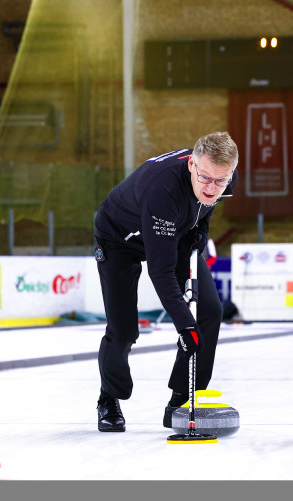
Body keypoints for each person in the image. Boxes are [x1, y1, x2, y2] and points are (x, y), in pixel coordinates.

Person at [93, 131, 238, 432]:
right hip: (120, 239)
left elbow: (205, 208)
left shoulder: (222, 177)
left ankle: (181, 400)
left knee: (210, 311)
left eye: (220, 181)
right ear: (191, 166)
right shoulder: (163, 189)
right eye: (205, 178)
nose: (212, 187)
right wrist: (185, 326)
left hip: (176, 232)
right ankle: (109, 396)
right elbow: (161, 271)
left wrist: (201, 233)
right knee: (123, 329)